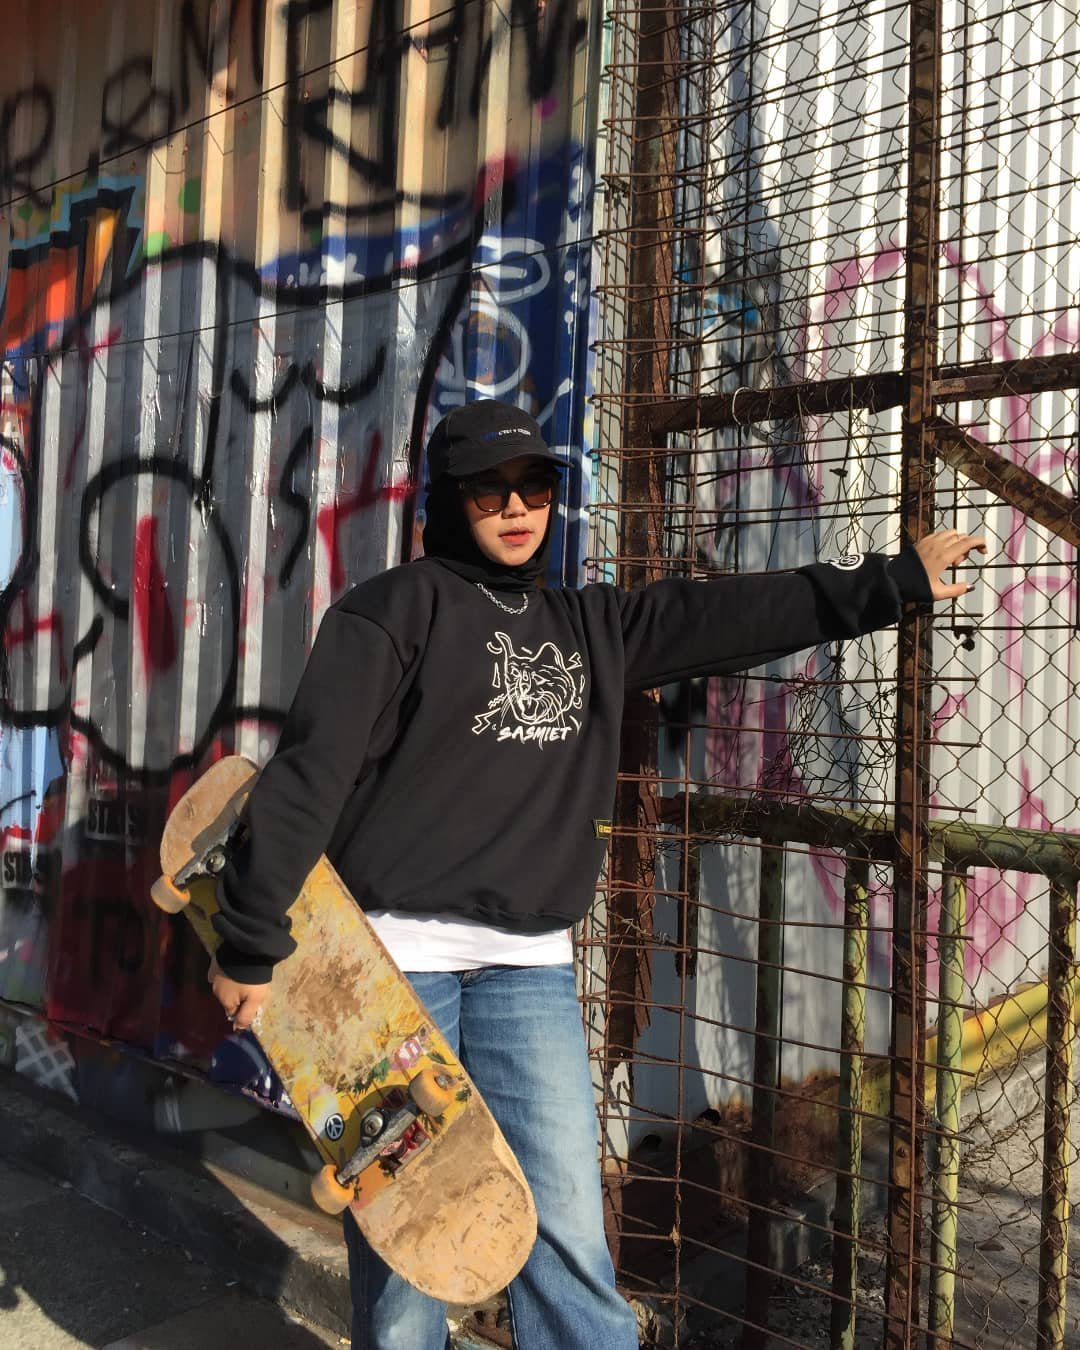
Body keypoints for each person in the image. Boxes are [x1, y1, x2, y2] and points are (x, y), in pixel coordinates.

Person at [204, 398, 986, 1350]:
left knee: (568, 1230)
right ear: (449, 500)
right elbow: (307, 779)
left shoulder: (589, 626)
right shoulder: (389, 613)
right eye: (489, 489)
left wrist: (891, 582)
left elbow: (729, 614)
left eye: (534, 485)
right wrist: (251, 941)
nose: (515, 506)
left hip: (527, 970)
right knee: (409, 1244)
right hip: (393, 976)